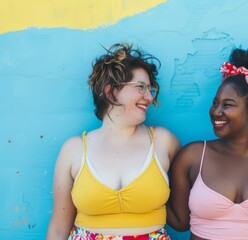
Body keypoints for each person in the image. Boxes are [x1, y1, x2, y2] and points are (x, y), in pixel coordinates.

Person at [167, 42, 248, 240]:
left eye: (227, 105)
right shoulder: (193, 156)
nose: (216, 111)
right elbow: (179, 222)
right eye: (215, 103)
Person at [47, 43, 180, 240]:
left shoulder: (163, 141)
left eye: (150, 89)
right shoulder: (74, 150)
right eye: (140, 87)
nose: (149, 97)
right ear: (110, 92)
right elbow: (59, 227)